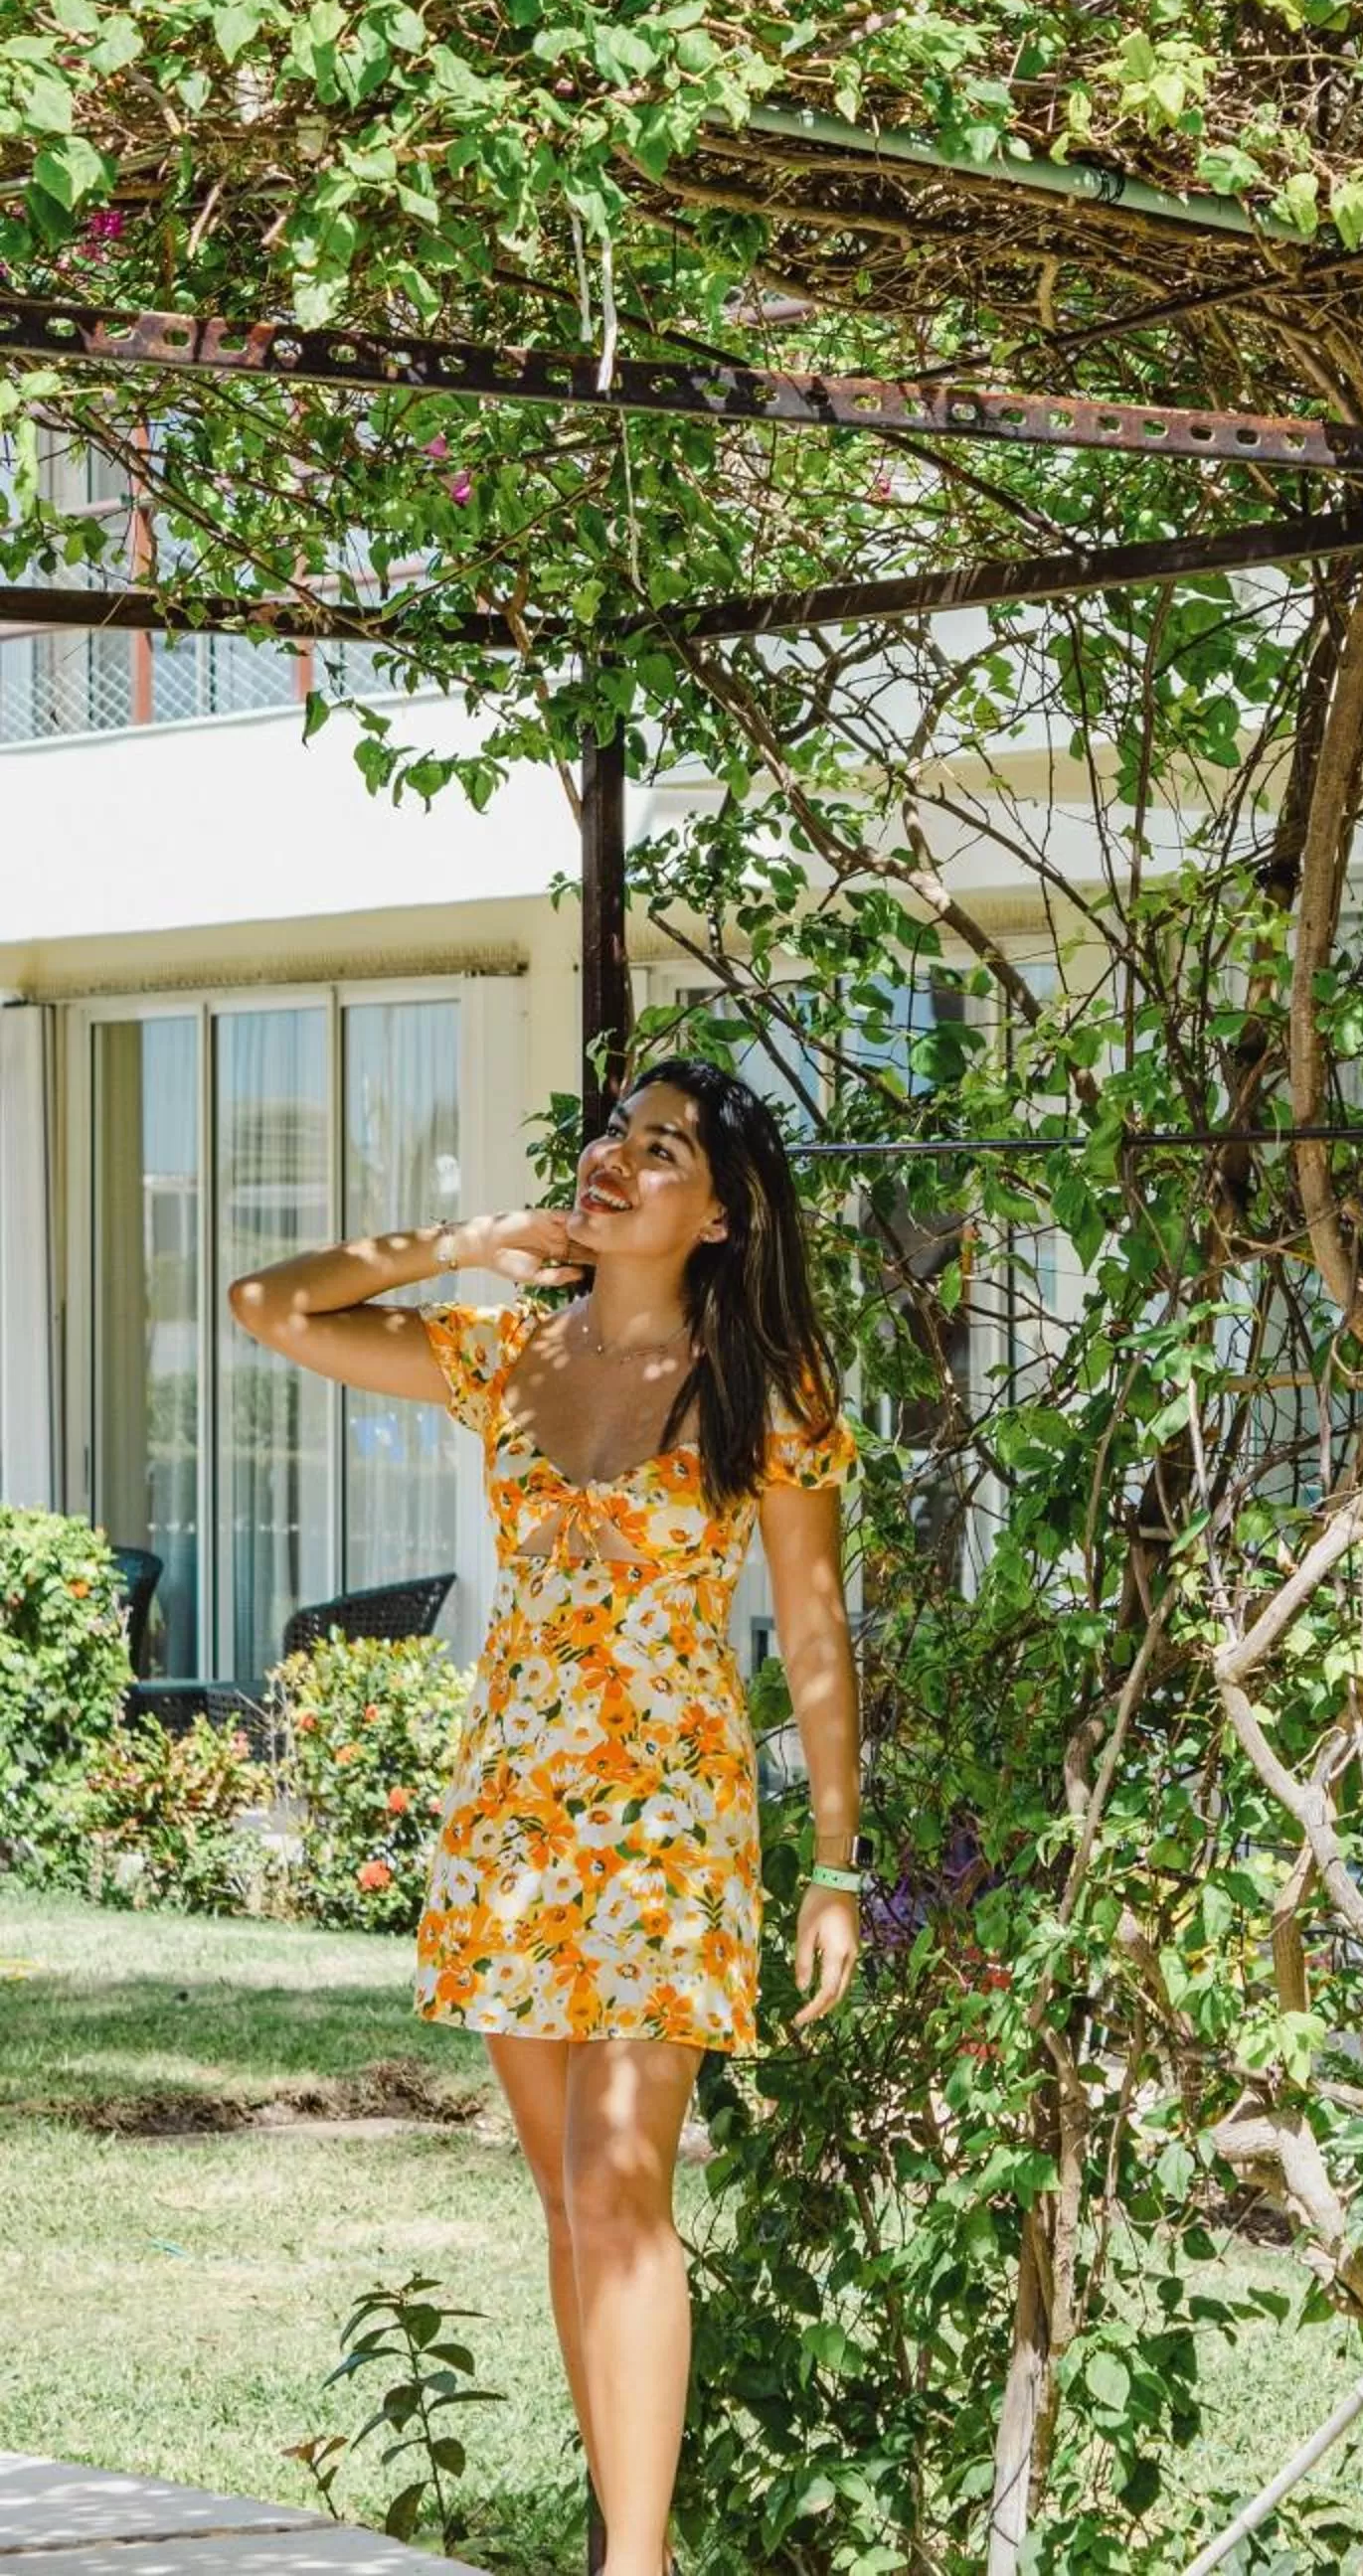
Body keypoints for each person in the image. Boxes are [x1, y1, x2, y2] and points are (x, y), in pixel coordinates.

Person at [229, 1056, 865, 2576]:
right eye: (614, 1135)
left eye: (665, 1151)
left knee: (617, 2182)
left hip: (669, 1824)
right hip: (513, 1821)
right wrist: (465, 1242)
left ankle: (632, 2568)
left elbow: (817, 1626)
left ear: (718, 1218)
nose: (618, 1160)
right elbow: (270, 1306)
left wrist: (837, 1858)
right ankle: (618, 2544)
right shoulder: (507, 1350)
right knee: (569, 2210)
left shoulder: (760, 1385)